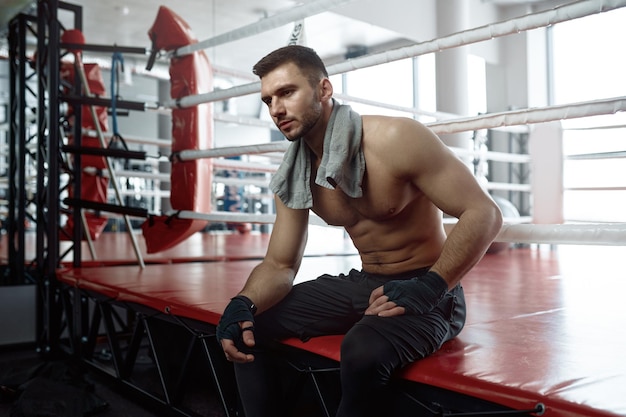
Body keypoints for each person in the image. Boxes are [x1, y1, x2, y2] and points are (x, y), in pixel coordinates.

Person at [217, 45, 503, 417]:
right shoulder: (295, 172)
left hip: (431, 292)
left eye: (287, 92)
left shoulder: (395, 139)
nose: (276, 109)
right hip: (366, 284)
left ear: (323, 89)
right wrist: (243, 302)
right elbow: (279, 264)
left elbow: (484, 213)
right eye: (268, 99)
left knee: (363, 351)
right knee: (248, 326)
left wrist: (431, 286)